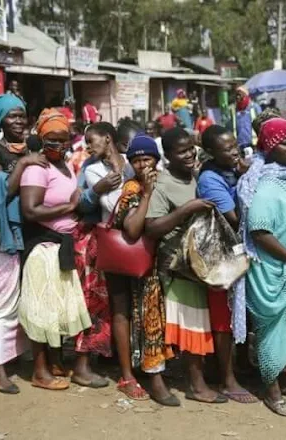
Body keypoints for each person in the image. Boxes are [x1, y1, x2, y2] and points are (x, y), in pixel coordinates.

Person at [144, 127, 227, 404]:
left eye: (191, 148)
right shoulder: (162, 184)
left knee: (198, 321)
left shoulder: (197, 175)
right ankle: (196, 385)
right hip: (178, 266)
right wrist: (185, 210)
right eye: (182, 151)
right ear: (167, 156)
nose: (190, 154)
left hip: (201, 263)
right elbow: (152, 227)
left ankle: (201, 378)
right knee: (192, 322)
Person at [237, 118, 286, 416]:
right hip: (272, 271)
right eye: (285, 142)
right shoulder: (265, 183)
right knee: (271, 331)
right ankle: (271, 389)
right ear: (269, 146)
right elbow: (259, 229)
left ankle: (285, 379)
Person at [19, 108, 93, 391]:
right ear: (40, 137)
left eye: (63, 139)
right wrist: (69, 207)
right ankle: (40, 372)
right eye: (51, 139)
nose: (58, 144)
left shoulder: (65, 165)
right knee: (42, 311)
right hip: (42, 245)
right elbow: (30, 210)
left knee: (56, 309)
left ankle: (54, 362)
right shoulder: (37, 169)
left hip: (61, 245)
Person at [107, 135, 178, 406]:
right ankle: (129, 376)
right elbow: (133, 229)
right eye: (135, 160)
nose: (141, 164)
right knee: (124, 314)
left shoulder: (164, 181)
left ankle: (148, 369)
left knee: (150, 317)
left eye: (146, 159)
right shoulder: (132, 188)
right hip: (127, 263)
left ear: (156, 160)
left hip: (150, 262)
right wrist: (146, 194)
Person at [0, 93, 46, 393]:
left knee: (19, 299)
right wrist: (24, 165)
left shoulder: (34, 145)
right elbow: (0, 193)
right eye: (12, 116)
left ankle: (10, 356)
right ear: (1, 121)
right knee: (2, 302)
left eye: (22, 115)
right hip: (5, 235)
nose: (19, 121)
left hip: (29, 233)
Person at [197, 125, 258, 404]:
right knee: (224, 319)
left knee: (236, 316)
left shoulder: (232, 170)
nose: (235, 152)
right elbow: (233, 218)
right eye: (227, 149)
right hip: (221, 255)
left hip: (236, 252)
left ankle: (233, 369)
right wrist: (246, 181)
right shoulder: (211, 179)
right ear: (211, 152)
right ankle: (227, 380)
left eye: (235, 145)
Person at [77, 122, 132, 392]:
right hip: (109, 241)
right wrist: (102, 188)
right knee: (107, 301)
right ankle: (106, 361)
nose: (88, 147)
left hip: (136, 238)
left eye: (92, 141)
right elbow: (110, 204)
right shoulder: (92, 170)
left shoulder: (130, 161)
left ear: (107, 139)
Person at [232, 86, 261, 153]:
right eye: (236, 95)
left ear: (245, 94)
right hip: (239, 143)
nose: (237, 97)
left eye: (239, 94)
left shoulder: (254, 107)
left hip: (254, 143)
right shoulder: (234, 109)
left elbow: (261, 123)